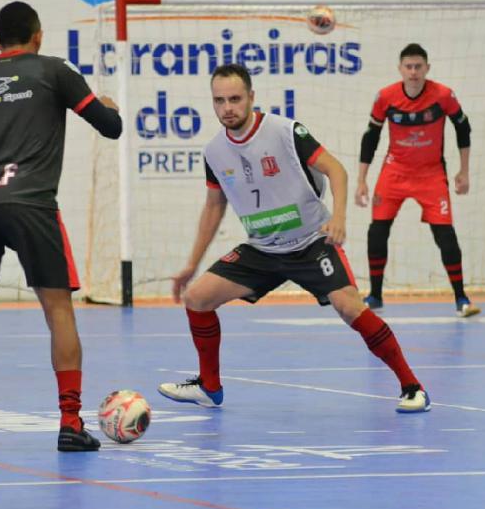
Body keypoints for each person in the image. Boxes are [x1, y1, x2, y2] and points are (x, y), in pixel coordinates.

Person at [158, 63, 430, 414]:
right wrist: (190, 265)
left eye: (236, 99)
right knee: (196, 298)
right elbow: (214, 207)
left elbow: (337, 170)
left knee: (349, 307)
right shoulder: (214, 152)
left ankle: (412, 387)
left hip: (311, 241)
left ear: (252, 97)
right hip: (262, 248)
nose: (228, 108)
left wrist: (340, 219)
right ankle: (209, 387)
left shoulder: (286, 131)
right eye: (220, 101)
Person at [0, 1, 122, 451]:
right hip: (32, 204)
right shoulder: (53, 71)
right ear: (38, 36)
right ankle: (70, 423)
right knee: (57, 310)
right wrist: (107, 106)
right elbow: (110, 127)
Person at [355, 43, 481, 318]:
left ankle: (461, 298)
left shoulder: (443, 95)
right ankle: (375, 295)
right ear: (400, 69)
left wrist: (464, 171)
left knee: (445, 236)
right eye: (408, 67)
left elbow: (463, 127)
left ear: (427, 68)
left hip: (431, 174)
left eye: (418, 67)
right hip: (394, 172)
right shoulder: (385, 97)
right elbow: (371, 138)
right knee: (377, 231)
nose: (413, 72)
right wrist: (361, 180)